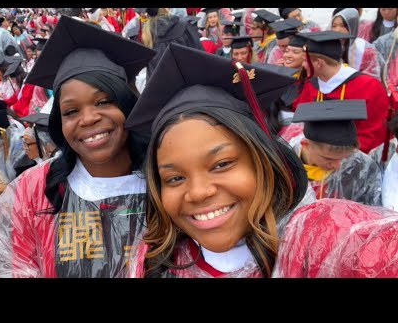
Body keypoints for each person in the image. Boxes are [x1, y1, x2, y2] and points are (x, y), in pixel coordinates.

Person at [123, 42, 398, 278]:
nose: (198, 192)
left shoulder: (314, 236)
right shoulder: (153, 262)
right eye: (175, 178)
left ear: (262, 161)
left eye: (221, 164)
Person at [0, 16, 156, 278]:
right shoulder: (36, 189)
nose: (89, 118)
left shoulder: (163, 181)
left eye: (104, 102)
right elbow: (12, 265)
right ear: (60, 122)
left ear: (127, 105)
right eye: (71, 111)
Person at [292, 31, 388, 154]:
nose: (303, 65)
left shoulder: (369, 87)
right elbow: (301, 121)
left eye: (305, 60)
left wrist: (336, 156)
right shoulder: (311, 85)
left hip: (352, 160)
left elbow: (372, 135)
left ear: (319, 63)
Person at [291, 99, 382, 205]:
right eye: (328, 158)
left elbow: (370, 208)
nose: (337, 165)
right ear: (306, 145)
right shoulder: (285, 163)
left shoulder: (361, 167)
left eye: (343, 158)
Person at [331, 8, 383, 80]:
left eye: (342, 25)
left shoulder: (365, 50)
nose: (337, 30)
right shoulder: (328, 46)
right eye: (334, 26)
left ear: (352, 26)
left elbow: (371, 78)